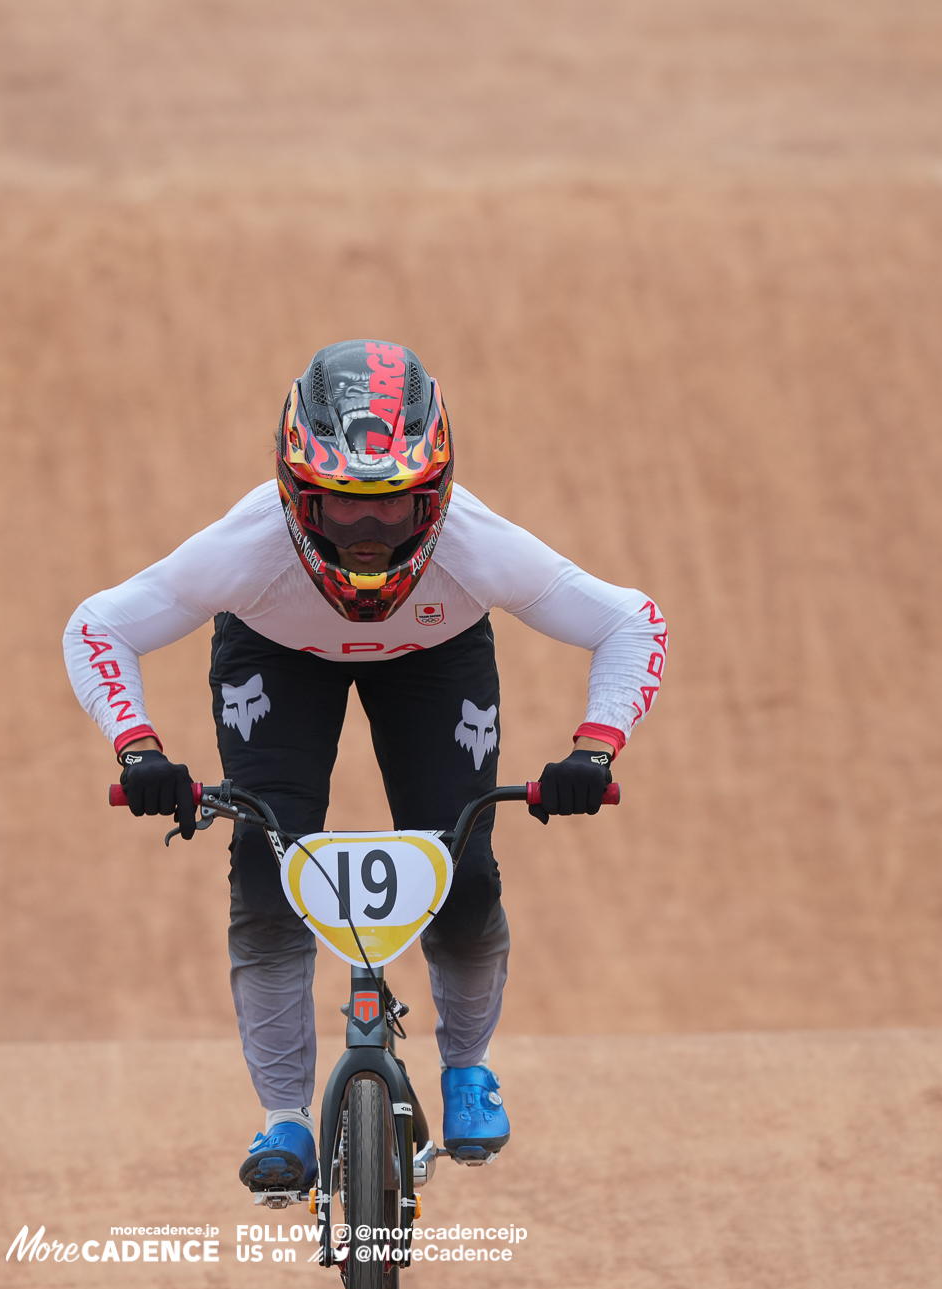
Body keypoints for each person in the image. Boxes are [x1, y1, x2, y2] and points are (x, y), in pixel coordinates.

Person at [64, 339, 666, 1194]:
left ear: (440, 494)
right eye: (343, 511)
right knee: (266, 867)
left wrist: (595, 748)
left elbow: (631, 621)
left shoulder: (475, 542)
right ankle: (283, 1118)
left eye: (397, 509)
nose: (372, 535)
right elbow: (97, 625)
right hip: (276, 649)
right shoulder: (248, 544)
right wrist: (139, 749)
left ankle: (467, 1069)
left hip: (436, 653)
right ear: (294, 495)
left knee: (465, 872)